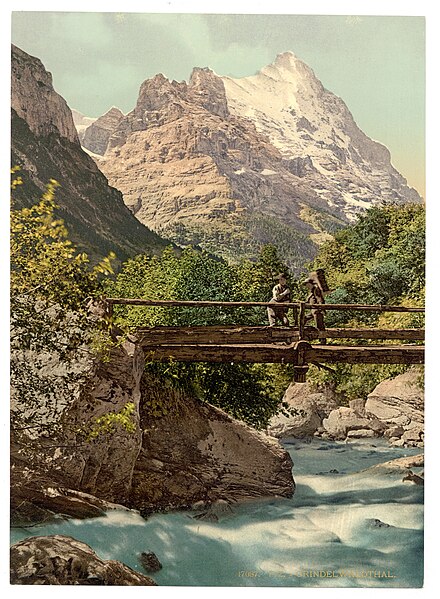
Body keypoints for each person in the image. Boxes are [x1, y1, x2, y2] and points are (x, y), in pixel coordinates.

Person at [303, 274, 326, 343]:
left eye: (307, 284)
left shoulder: (316, 290)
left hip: (317, 310)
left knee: (320, 325)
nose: (306, 286)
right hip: (313, 311)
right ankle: (302, 334)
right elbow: (308, 301)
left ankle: (322, 340)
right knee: (304, 319)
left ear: (310, 284)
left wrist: (322, 309)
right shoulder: (311, 291)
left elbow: (320, 300)